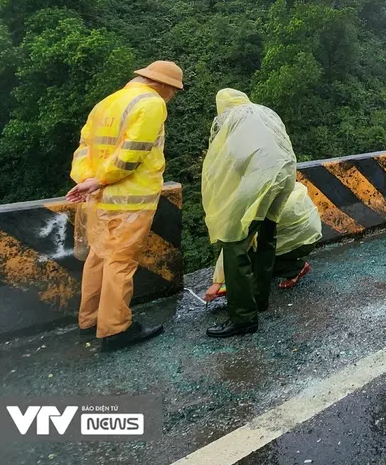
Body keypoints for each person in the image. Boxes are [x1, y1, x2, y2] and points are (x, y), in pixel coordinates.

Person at [66, 60, 183, 352]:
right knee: (120, 262)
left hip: (99, 199)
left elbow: (83, 147)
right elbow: (133, 153)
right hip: (131, 199)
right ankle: (115, 329)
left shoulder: (106, 103)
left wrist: (88, 179)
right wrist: (102, 179)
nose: (172, 95)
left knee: (98, 257)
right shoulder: (151, 103)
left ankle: (90, 320)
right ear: (162, 84)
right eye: (174, 90)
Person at [201, 89, 297, 338]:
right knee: (266, 235)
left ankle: (243, 317)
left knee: (234, 243)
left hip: (259, 178)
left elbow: (230, 159)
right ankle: (259, 300)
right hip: (285, 174)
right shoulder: (265, 112)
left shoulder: (229, 119)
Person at [203, 181, 322, 302]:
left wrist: (218, 282)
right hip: (312, 236)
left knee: (250, 261)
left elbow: (238, 243)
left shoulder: (257, 205)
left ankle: (295, 268)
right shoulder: (277, 181)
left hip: (299, 243)